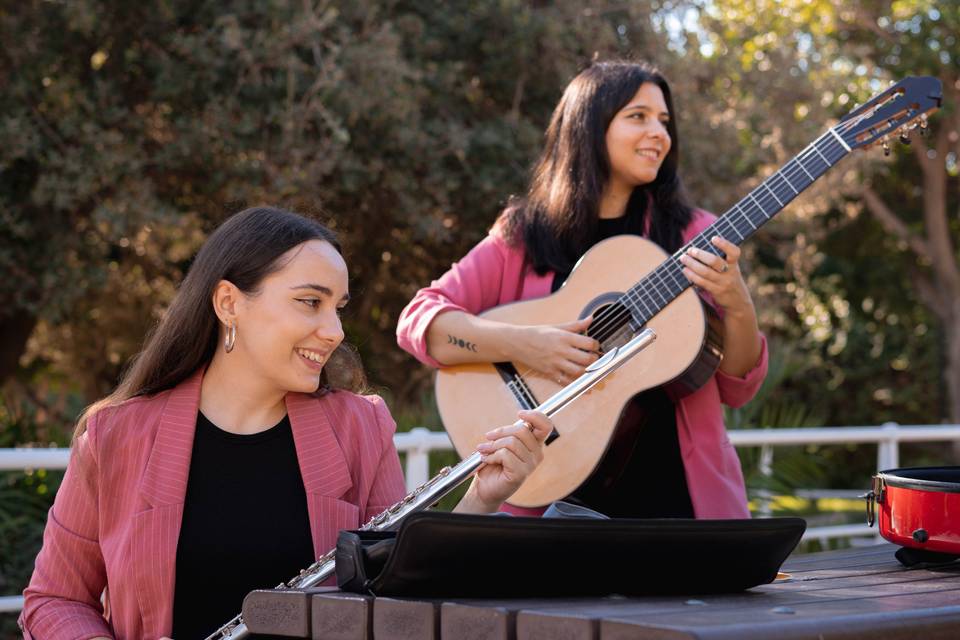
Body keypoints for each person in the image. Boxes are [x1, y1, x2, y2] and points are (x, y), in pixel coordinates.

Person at [20, 207, 552, 640]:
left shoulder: (359, 427)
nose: (334, 330)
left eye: (338, 307)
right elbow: (55, 600)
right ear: (229, 303)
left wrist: (481, 500)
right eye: (310, 303)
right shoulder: (115, 437)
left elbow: (394, 598)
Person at [396, 60, 768, 520]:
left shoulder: (694, 233)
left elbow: (737, 386)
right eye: (638, 116)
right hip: (548, 496)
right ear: (589, 125)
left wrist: (736, 301)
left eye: (665, 121)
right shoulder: (525, 234)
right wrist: (529, 346)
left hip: (679, 504)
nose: (660, 133)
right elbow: (420, 321)